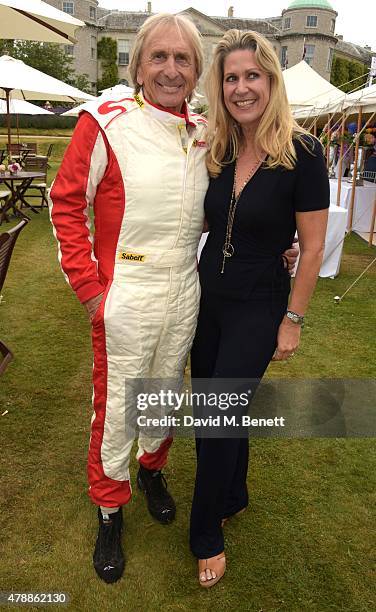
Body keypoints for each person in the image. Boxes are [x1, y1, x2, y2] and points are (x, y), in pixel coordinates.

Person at [49, 14, 298, 584]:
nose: (170, 69)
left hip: (187, 290)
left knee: (162, 391)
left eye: (182, 59)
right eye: (158, 57)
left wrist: (271, 248)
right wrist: (91, 292)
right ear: (137, 64)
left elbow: (235, 200)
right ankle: (109, 507)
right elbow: (66, 206)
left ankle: (151, 469)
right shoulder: (105, 122)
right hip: (126, 293)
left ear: (196, 70)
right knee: (116, 406)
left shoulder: (209, 133)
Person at [189, 29, 329, 587]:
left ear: (271, 81)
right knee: (217, 408)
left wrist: (292, 319)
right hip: (208, 300)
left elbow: (313, 245)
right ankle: (234, 494)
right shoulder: (219, 149)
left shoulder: (304, 152)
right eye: (231, 78)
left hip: (259, 303)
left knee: (217, 418)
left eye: (252, 76)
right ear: (220, 87)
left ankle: (206, 532)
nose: (241, 88)